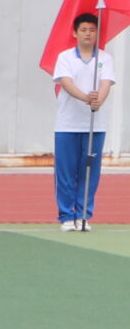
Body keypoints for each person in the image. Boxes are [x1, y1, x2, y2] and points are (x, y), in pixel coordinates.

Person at [52, 12, 114, 231]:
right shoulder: (65, 57)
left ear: (97, 33)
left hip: (94, 125)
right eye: (84, 30)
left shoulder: (104, 58)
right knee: (66, 171)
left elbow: (106, 83)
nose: (88, 34)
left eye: (92, 30)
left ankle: (84, 216)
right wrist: (86, 97)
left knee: (89, 172)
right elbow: (66, 83)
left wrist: (99, 100)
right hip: (67, 124)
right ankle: (67, 215)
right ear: (75, 33)